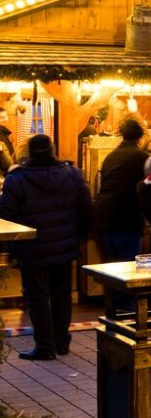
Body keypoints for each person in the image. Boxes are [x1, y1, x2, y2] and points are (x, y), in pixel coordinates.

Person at [0, 134, 92, 360]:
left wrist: (11, 247)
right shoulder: (72, 174)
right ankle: (61, 342)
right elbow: (86, 209)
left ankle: (45, 346)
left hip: (31, 248)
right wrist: (79, 239)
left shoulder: (17, 179)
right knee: (62, 295)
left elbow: (6, 215)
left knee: (37, 297)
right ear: (52, 149)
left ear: (29, 152)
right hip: (64, 247)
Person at [92, 118, 150, 263]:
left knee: (109, 269)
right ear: (140, 138)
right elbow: (150, 188)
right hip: (127, 219)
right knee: (127, 269)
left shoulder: (110, 157)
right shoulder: (142, 157)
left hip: (104, 218)